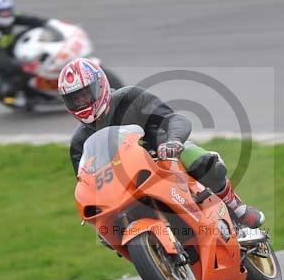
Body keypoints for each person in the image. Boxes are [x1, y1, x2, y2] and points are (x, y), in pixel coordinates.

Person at [59, 58, 265, 228]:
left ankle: (236, 208)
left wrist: (173, 142)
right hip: (124, 186)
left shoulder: (131, 97)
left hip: (163, 158)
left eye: (85, 94)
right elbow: (86, 181)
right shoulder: (79, 142)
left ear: (100, 84)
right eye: (75, 99)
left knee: (202, 161)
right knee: (105, 226)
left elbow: (174, 119)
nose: (82, 102)